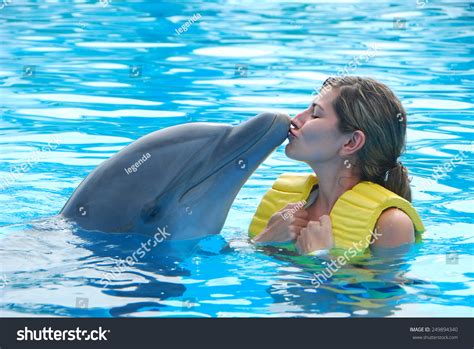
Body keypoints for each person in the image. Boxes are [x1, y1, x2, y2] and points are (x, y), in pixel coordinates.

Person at [252, 76, 419, 255]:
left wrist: (320, 256)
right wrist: (265, 239)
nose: (295, 119)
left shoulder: (391, 223)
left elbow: (387, 283)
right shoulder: (287, 207)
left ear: (351, 142)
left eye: (315, 114)